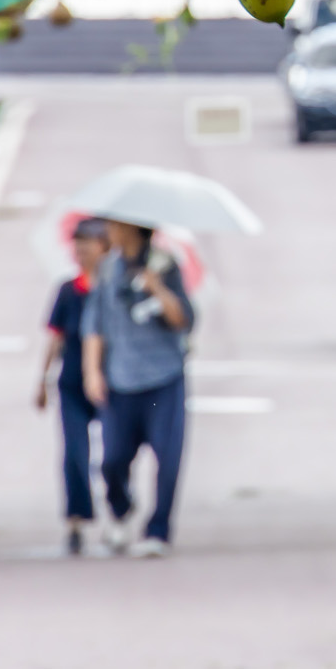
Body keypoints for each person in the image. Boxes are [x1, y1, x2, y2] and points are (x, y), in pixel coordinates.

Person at [82, 218, 194, 557]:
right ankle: (120, 508)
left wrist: (156, 286)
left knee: (168, 457)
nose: (109, 232)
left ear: (132, 228)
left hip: (163, 378)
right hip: (120, 380)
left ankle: (158, 530)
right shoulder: (107, 270)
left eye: (115, 226)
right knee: (112, 458)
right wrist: (92, 372)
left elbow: (184, 319)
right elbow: (95, 324)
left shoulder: (164, 264)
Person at [38, 218, 109, 555]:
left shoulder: (115, 289)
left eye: (89, 242)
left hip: (114, 382)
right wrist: (42, 379)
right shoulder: (68, 290)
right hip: (72, 382)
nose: (82, 250)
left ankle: (120, 506)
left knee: (116, 453)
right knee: (75, 452)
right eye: (77, 243)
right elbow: (56, 336)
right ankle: (77, 518)